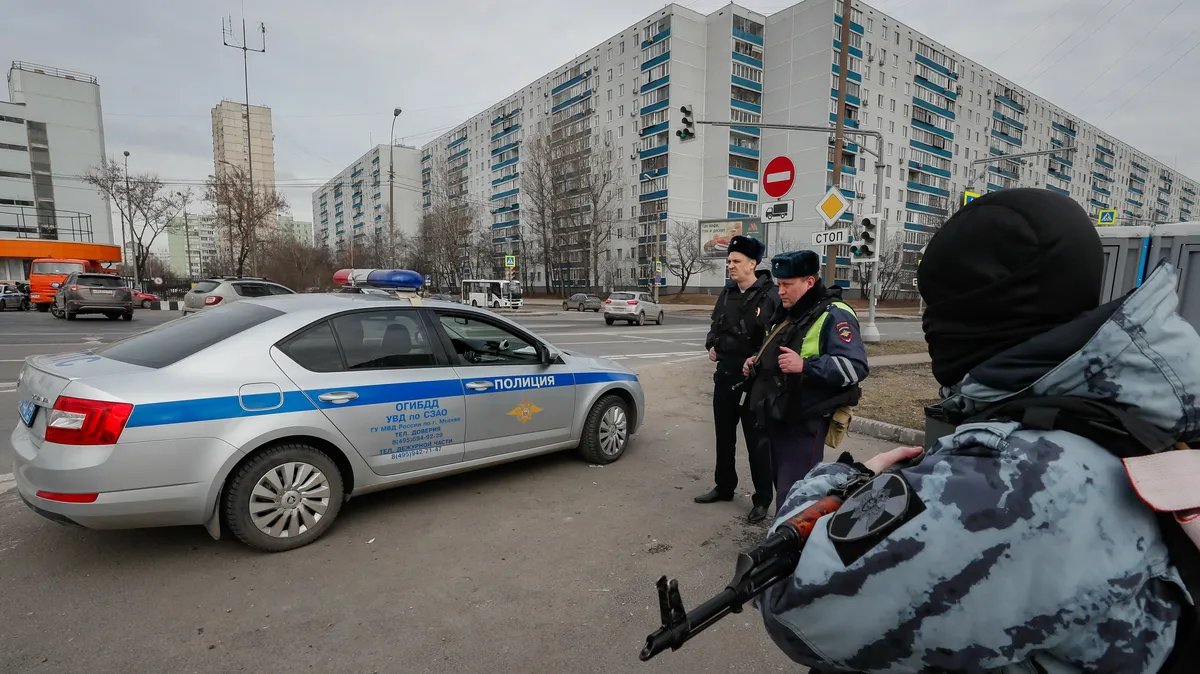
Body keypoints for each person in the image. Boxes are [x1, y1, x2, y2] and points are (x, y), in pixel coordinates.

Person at [758, 188, 1194, 673]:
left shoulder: (1010, 476)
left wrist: (845, 480)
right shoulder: (1126, 407)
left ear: (980, 308)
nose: (929, 323)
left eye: (938, 304)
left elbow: (799, 607)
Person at [742, 249, 868, 513]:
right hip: (779, 414)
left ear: (810, 282)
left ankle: (793, 549)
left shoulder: (835, 313)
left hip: (805, 420)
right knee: (784, 490)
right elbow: (777, 346)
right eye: (779, 285)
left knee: (797, 494)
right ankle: (784, 538)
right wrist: (757, 359)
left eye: (787, 285)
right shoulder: (793, 310)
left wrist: (806, 366)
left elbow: (855, 367)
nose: (780, 291)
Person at [696, 235, 780, 523]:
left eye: (736, 261)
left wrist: (757, 359)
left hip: (754, 381)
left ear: (752, 263)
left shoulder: (770, 296)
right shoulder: (728, 292)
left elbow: (776, 337)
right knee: (724, 436)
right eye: (729, 260)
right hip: (725, 375)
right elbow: (715, 324)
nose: (730, 265)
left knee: (758, 442)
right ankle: (724, 486)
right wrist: (712, 345)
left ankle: (762, 499)